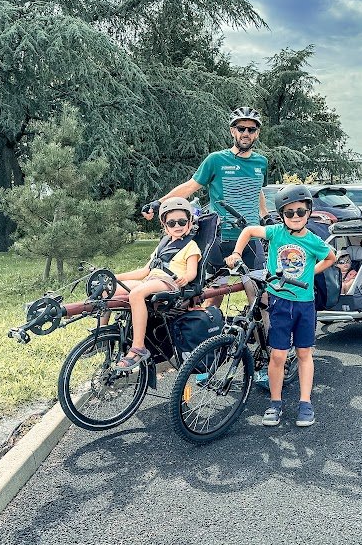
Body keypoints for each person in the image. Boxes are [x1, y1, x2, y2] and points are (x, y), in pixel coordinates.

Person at [225, 184, 336, 427]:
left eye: (300, 211)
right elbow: (248, 231)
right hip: (280, 301)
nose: (295, 216)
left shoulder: (314, 240)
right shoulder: (276, 233)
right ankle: (275, 403)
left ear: (308, 212)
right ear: (281, 215)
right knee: (277, 355)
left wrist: (309, 273)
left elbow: (331, 258)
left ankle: (305, 403)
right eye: (289, 213)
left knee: (304, 353)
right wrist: (235, 253)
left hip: (305, 304)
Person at [141, 106, 269, 274]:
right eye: (241, 128)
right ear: (232, 131)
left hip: (251, 237)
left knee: (258, 288)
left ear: (257, 133)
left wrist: (265, 216)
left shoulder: (262, 162)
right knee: (216, 291)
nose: (246, 133)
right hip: (220, 237)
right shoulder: (216, 160)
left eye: (251, 129)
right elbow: (190, 186)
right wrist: (159, 202)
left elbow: (257, 189)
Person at [110, 198, 202, 370]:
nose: (177, 226)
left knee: (136, 294)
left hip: (169, 283)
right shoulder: (162, 245)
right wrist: (116, 277)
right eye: (172, 222)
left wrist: (187, 278)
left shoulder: (191, 246)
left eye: (182, 221)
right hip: (151, 280)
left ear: (189, 222)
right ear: (165, 225)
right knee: (107, 289)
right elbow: (144, 271)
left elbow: (192, 271)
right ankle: (102, 338)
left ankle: (138, 348)